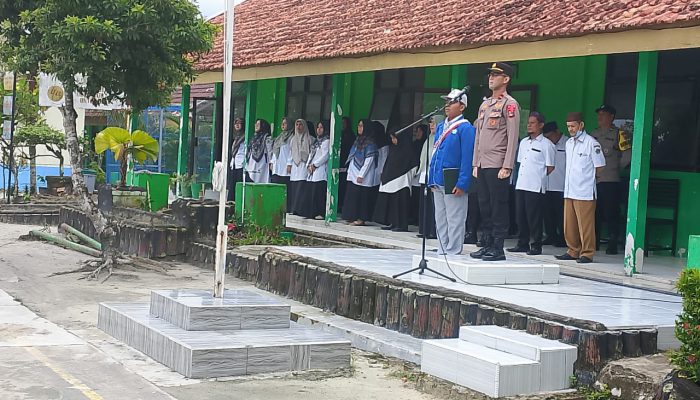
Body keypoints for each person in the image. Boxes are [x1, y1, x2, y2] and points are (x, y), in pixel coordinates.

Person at [470, 62, 520, 262]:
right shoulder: (484, 105)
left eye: (496, 75)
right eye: (490, 75)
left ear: (506, 79)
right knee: (484, 205)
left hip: (498, 163)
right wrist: (475, 163)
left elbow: (513, 135)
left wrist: (507, 165)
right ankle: (487, 242)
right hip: (483, 163)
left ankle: (498, 247)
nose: (491, 78)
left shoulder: (509, 104)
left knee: (498, 205)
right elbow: (478, 137)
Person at [428, 89, 476, 255]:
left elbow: (467, 157)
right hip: (438, 177)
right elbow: (435, 152)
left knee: (455, 217)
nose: (447, 105)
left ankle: (453, 250)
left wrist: (463, 182)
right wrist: (430, 178)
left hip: (453, 178)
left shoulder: (465, 128)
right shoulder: (441, 126)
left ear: (462, 106)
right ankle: (442, 248)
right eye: (446, 101)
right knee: (440, 217)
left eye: (452, 102)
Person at [555, 112, 606, 264]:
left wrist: (588, 178)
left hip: (585, 191)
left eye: (573, 126)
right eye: (568, 126)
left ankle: (587, 253)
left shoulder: (591, 143)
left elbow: (600, 166)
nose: (570, 129)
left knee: (585, 225)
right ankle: (572, 250)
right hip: (570, 190)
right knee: (569, 224)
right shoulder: (569, 143)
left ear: (581, 125)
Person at [506, 112, 555, 256]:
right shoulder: (524, 143)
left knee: (534, 217)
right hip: (521, 184)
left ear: (541, 125)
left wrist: (538, 177)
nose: (529, 125)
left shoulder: (547, 144)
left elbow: (550, 167)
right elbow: (521, 162)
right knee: (520, 216)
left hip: (535, 186)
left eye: (533, 123)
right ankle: (522, 243)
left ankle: (536, 245)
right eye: (528, 123)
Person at [591, 104, 631, 255]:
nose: (600, 117)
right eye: (599, 114)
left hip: (610, 179)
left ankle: (612, 243)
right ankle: (593, 242)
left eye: (603, 114)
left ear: (611, 117)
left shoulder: (620, 134)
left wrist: (615, 168)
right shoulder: (593, 133)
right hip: (595, 180)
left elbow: (627, 155)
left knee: (611, 213)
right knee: (595, 212)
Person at [373, 127, 418, 232]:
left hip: (402, 182)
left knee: (400, 204)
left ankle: (402, 225)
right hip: (392, 181)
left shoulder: (407, 149)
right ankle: (393, 223)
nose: (393, 141)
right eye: (392, 138)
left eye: (394, 138)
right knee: (392, 204)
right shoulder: (394, 149)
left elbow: (413, 165)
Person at [342, 119, 379, 226]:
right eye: (358, 126)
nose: (359, 128)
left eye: (362, 126)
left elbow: (369, 161)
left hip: (363, 175)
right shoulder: (357, 140)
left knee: (362, 198)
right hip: (353, 172)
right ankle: (351, 216)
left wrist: (361, 174)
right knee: (352, 196)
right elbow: (353, 156)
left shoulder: (371, 144)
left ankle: (361, 219)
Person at [417, 116, 442, 239]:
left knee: (434, 204)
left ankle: (433, 230)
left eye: (434, 123)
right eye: (431, 123)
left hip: (435, 176)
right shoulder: (429, 139)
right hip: (425, 174)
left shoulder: (440, 139)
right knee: (425, 203)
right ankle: (424, 229)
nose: (432, 125)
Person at [543, 121, 567, 248]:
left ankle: (563, 237)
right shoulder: (546, 145)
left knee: (561, 215)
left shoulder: (567, 144)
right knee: (548, 213)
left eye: (550, 136)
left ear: (557, 132)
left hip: (561, 185)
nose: (548, 139)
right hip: (547, 184)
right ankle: (550, 235)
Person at [300, 120, 330, 219]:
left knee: (319, 193)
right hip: (312, 170)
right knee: (312, 192)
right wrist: (308, 165)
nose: (319, 130)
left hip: (320, 170)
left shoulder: (327, 141)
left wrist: (315, 165)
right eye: (318, 127)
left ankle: (320, 213)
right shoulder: (316, 141)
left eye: (321, 127)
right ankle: (311, 212)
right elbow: (311, 154)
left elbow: (325, 155)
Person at [288, 119, 313, 214]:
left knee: (302, 187)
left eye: (301, 125)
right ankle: (293, 209)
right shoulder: (293, 139)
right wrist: (289, 164)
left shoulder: (310, 139)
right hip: (295, 165)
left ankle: (300, 210)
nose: (298, 127)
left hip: (304, 165)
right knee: (294, 188)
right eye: (297, 124)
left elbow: (311, 153)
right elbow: (291, 153)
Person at [270, 117, 294, 209]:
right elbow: (275, 150)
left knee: (285, 187)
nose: (283, 125)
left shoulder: (292, 137)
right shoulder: (280, 137)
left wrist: (289, 163)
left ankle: (286, 207)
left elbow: (292, 151)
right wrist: (272, 162)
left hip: (285, 166)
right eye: (282, 123)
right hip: (277, 165)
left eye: (285, 123)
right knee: (276, 185)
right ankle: (276, 205)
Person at [410, 124, 428, 226]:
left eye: (419, 131)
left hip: (422, 173)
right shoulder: (415, 144)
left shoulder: (425, 143)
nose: (417, 133)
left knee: (419, 198)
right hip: (415, 174)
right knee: (414, 197)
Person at [245, 119, 272, 183]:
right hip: (252, 163)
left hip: (262, 163)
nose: (256, 126)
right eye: (256, 124)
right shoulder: (254, 137)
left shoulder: (267, 137)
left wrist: (271, 162)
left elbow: (270, 151)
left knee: (260, 181)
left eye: (258, 124)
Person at [338, 117, 355, 213]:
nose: (342, 125)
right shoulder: (339, 135)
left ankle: (341, 205)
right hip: (338, 162)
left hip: (346, 164)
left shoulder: (351, 135)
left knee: (343, 185)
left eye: (344, 123)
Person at [228, 117, 246, 201]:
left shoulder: (245, 136)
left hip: (241, 164)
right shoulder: (236, 137)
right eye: (236, 123)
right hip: (234, 163)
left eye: (239, 123)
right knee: (232, 185)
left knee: (239, 184)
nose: (237, 125)